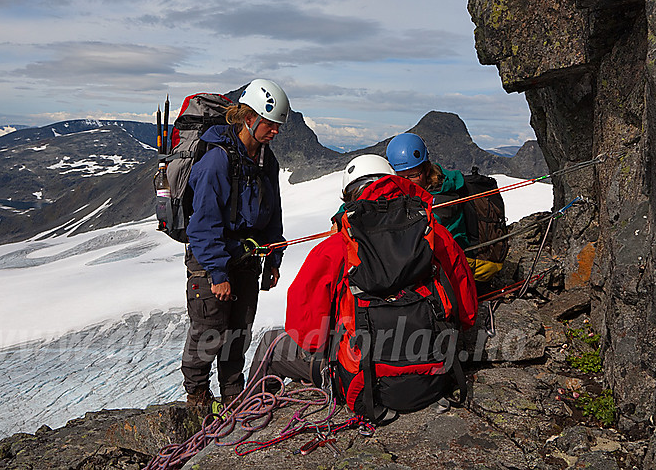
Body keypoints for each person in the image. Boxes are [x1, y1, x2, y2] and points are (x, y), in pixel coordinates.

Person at [248, 154, 477, 414]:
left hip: (362, 385)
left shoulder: (337, 248)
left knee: (270, 344)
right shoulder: (435, 235)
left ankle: (247, 418)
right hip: (434, 376)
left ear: (352, 196)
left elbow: (307, 334)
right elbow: (467, 314)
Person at [182, 78, 289, 411]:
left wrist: (273, 259)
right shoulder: (216, 160)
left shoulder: (265, 160)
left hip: (248, 259)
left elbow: (272, 213)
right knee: (208, 331)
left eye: (277, 127)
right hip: (212, 260)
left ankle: (232, 399)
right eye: (270, 125)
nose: (274, 132)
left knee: (238, 333)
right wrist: (216, 272)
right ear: (249, 117)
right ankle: (197, 398)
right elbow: (202, 224)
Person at [385, 132, 469, 250]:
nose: (406, 183)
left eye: (413, 175)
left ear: (427, 169)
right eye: (400, 177)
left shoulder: (444, 197)